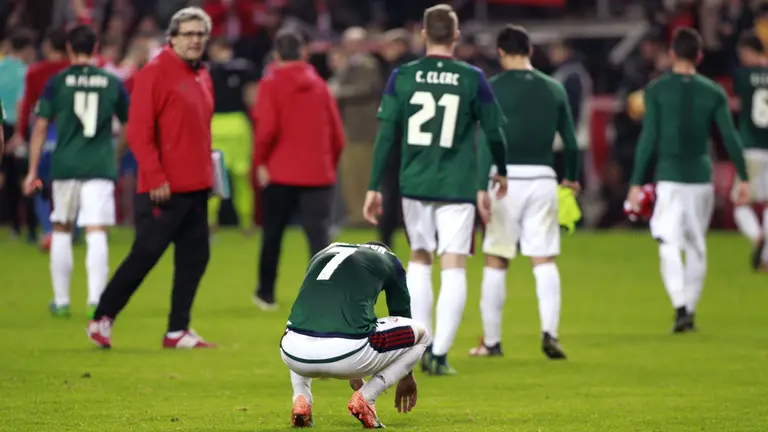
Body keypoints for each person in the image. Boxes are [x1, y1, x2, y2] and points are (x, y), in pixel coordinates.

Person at [364, 4, 508, 375]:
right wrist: (498, 174)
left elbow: (385, 134)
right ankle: (440, 352)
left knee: (420, 259)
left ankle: (418, 346)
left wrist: (373, 185)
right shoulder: (472, 77)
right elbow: (494, 132)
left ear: (424, 34)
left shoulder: (403, 75)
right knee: (454, 265)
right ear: (457, 35)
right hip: (457, 186)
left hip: (414, 182)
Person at [88, 7, 216, 349]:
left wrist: (210, 175)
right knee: (145, 253)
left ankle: (177, 331)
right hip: (164, 188)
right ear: (172, 38)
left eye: (200, 34)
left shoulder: (202, 73)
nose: (195, 40)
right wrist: (156, 176)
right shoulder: (155, 73)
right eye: (188, 34)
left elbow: (199, 132)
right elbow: (139, 132)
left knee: (195, 258)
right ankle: (103, 316)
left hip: (197, 186)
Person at [627, 27, 750, 333]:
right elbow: (730, 137)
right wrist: (743, 176)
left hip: (669, 178)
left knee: (668, 242)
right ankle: (690, 310)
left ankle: (680, 304)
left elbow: (649, 138)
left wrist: (635, 181)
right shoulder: (713, 92)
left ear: (671, 54)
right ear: (699, 56)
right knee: (696, 245)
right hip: (701, 179)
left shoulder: (655, 90)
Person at [469, 25, 580, 360]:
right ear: (530, 50)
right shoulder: (554, 88)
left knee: (496, 259)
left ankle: (491, 342)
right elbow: (571, 144)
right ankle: (550, 332)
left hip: (504, 181)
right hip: (544, 178)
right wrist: (571, 179)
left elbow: (489, 139)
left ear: (501, 53)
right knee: (544, 258)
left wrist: (480, 185)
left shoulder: (492, 87)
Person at [22, 25, 128, 319]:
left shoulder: (57, 82)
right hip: (99, 164)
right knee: (96, 231)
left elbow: (41, 125)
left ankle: (62, 300)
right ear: (95, 48)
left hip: (65, 163)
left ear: (69, 48)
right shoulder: (111, 81)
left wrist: (32, 170)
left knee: (61, 228)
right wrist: (115, 155)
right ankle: (96, 299)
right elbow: (129, 124)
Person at [280, 241, 429, 428]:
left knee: (299, 324)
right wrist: (406, 375)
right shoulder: (389, 260)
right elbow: (401, 314)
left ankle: (301, 398)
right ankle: (367, 397)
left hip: (293, 353)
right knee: (422, 335)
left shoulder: (323, 252)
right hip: (350, 353)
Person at [251, 29, 345, 311]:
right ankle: (325, 295)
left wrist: (261, 162)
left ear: (276, 55)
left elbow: (267, 129)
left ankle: (266, 294)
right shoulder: (320, 85)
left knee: (273, 236)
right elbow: (338, 135)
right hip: (318, 173)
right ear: (304, 53)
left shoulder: (271, 84)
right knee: (319, 237)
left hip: (280, 172)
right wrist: (328, 163)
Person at [12, 28, 71, 247]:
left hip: (43, 133)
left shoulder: (36, 72)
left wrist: (20, 134)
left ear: (48, 46)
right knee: (69, 183)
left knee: (37, 181)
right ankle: (73, 230)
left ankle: (48, 230)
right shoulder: (73, 71)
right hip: (71, 134)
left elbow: (27, 105)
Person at [207, 37, 258, 233]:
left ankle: (210, 222)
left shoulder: (205, 70)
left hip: (215, 124)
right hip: (238, 123)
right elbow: (252, 98)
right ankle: (247, 223)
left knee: (214, 177)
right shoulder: (245, 69)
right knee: (242, 177)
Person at [731, 31, 768, 270]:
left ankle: (756, 237)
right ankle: (766, 258)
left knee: (740, 203)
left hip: (750, 149)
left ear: (747, 52)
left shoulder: (742, 76)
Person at [0, 29, 35, 241]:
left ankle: (13, 225)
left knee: (5, 177)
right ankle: (31, 228)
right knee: (25, 177)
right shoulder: (25, 72)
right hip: (17, 127)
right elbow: (22, 103)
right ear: (27, 49)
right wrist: (19, 134)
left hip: (2, 124)